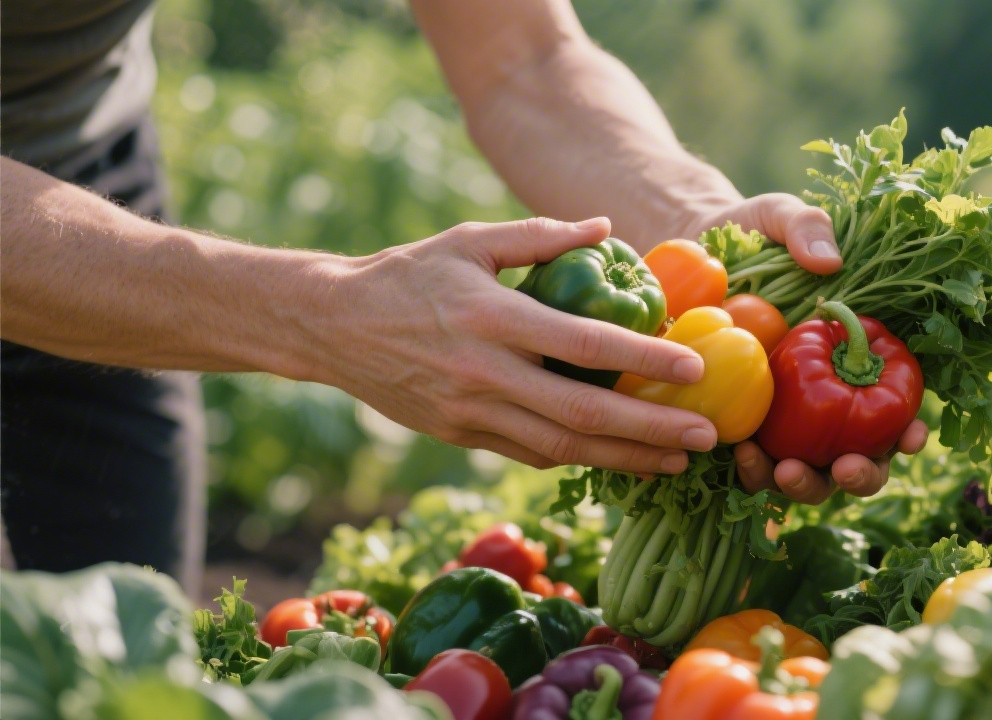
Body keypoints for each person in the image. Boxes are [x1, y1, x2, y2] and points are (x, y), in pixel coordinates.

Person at [0, 0, 928, 593]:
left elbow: (521, 57)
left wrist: (702, 228)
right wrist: (323, 314)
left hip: (85, 156)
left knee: (115, 657)